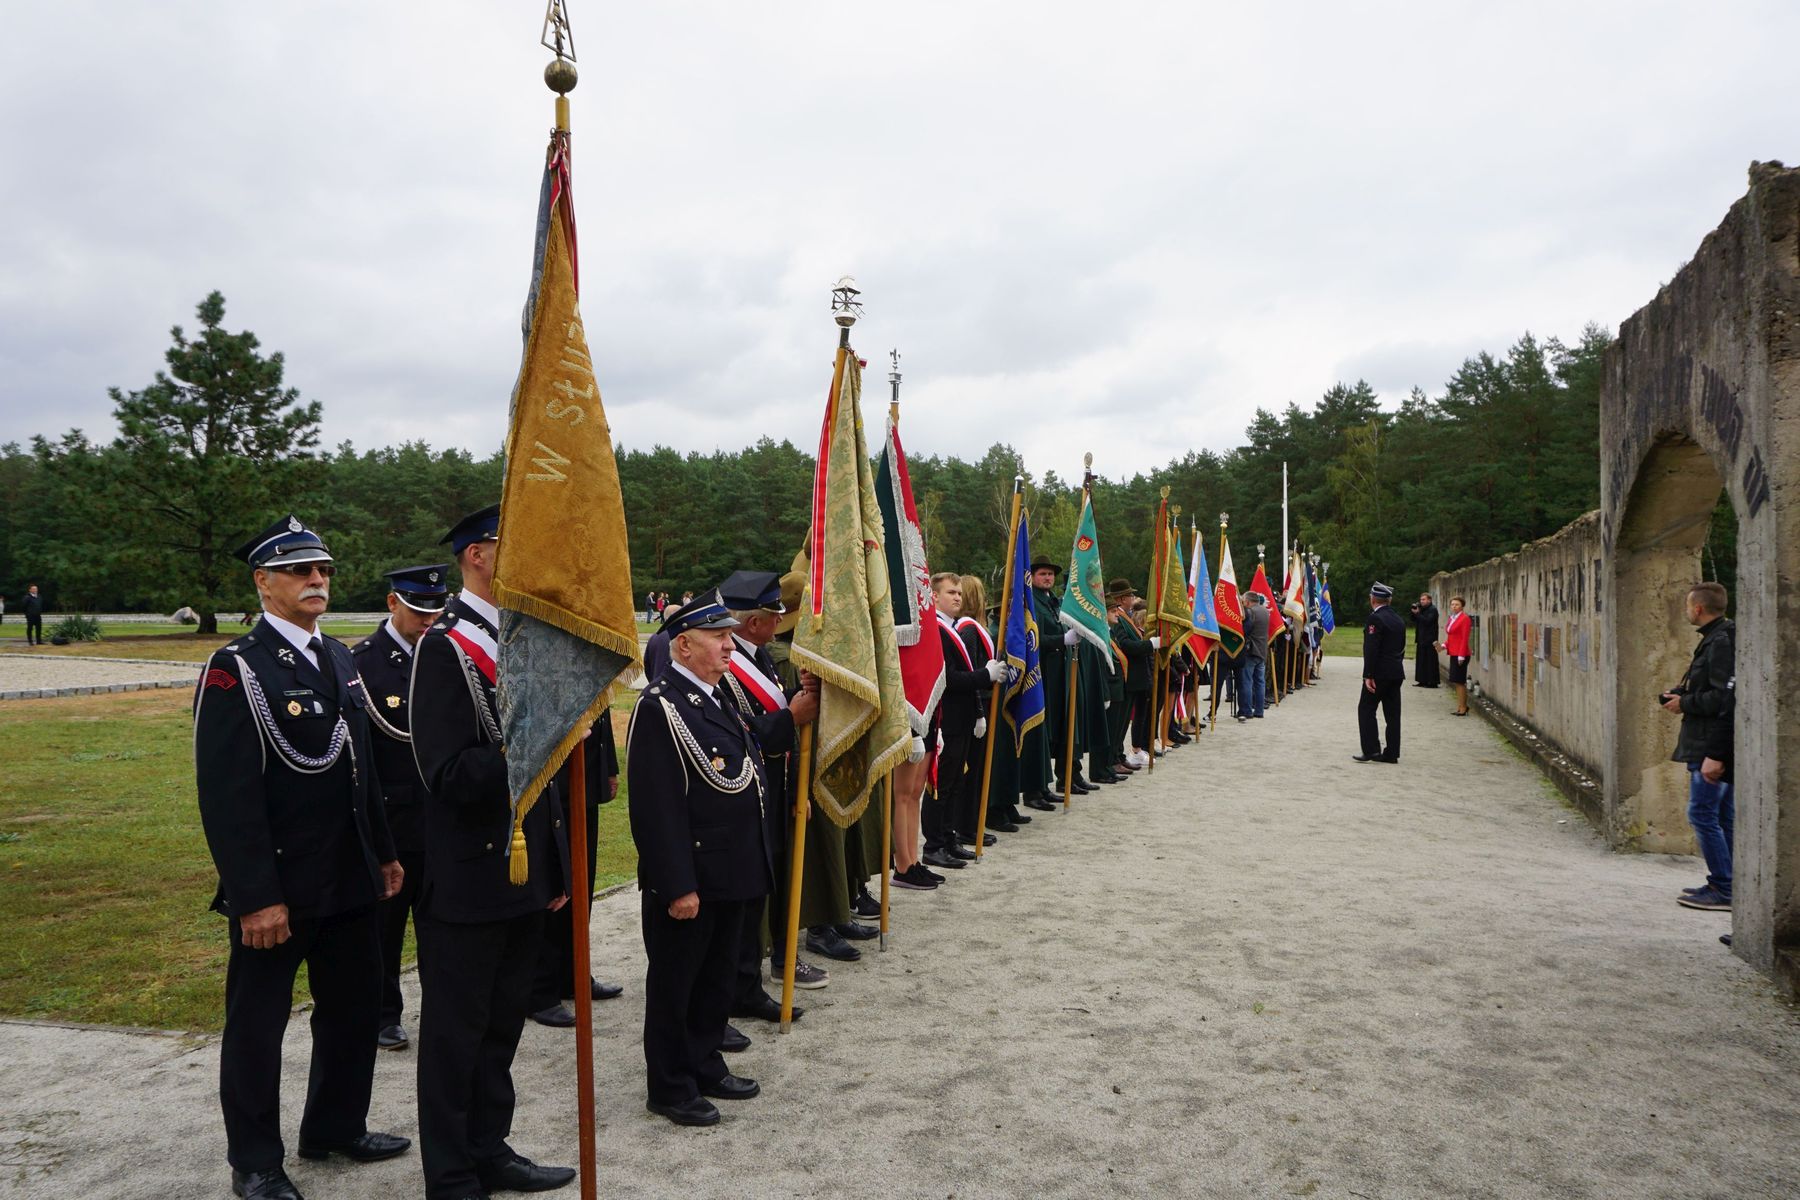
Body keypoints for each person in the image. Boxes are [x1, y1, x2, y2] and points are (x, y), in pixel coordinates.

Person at [193, 515, 409, 1200]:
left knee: (351, 1009)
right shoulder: (238, 669)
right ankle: (255, 1160)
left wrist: (384, 853)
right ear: (263, 582)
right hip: (280, 884)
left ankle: (336, 1126)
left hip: (348, 874)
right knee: (257, 1027)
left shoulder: (339, 656)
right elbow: (227, 795)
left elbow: (362, 767)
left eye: (322, 570)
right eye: (297, 570)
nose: (316, 580)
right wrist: (254, 894)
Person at [409, 503, 575, 1198]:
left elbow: (555, 776)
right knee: (457, 1034)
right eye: (516, 544)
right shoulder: (445, 648)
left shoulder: (522, 639)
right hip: (470, 870)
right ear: (478, 554)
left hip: (525, 870)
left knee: (503, 1025)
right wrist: (518, 743)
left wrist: (558, 868)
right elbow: (444, 774)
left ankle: (491, 1147)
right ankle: (450, 1172)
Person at [628, 589, 773, 1127]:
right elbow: (656, 808)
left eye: (730, 636)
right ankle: (669, 1085)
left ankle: (705, 1062)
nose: (729, 646)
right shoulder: (660, 706)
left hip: (732, 869)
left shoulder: (717, 697)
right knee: (676, 984)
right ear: (683, 645)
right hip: (692, 875)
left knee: (714, 981)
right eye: (718, 637)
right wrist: (676, 885)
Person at [714, 569, 832, 1014]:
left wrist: (793, 698)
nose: (779, 624)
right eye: (772, 616)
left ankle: (748, 986)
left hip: (773, 789)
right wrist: (792, 715)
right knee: (743, 902)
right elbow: (735, 736)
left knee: (763, 889)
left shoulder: (758, 656)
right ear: (754, 622)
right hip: (740, 796)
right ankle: (736, 988)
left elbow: (772, 706)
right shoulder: (725, 663)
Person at [351, 563, 450, 1053]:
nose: (429, 618)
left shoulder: (447, 654)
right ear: (393, 604)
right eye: (418, 609)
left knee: (443, 922)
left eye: (436, 608)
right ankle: (382, 1012)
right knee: (385, 927)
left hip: (443, 816)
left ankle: (443, 1008)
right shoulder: (364, 663)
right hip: (392, 818)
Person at [527, 716, 626, 1028]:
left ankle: (573, 973)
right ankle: (540, 989)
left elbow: (601, 709)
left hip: (584, 777)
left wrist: (608, 765)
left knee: (582, 884)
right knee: (554, 885)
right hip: (551, 782)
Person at [1660, 582, 1736, 912]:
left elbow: (1724, 698)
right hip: (1712, 741)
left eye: (1689, 606)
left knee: (1703, 813)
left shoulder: (1720, 641)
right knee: (1721, 815)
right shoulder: (1719, 637)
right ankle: (1732, 883)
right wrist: (1682, 693)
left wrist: (1686, 702)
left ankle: (1724, 886)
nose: (1687, 611)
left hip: (1710, 743)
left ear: (1698, 609)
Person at [927, 573, 1007, 866]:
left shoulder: (953, 628)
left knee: (956, 783)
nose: (958, 597)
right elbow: (947, 678)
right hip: (945, 718)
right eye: (951, 592)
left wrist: (977, 712)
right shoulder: (935, 629)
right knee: (942, 785)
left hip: (962, 717)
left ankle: (949, 839)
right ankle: (933, 845)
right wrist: (984, 675)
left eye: (960, 593)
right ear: (934, 596)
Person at [1354, 582, 1407, 764]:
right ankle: (1392, 752)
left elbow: (1371, 648)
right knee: (1393, 714)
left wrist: (1368, 674)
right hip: (1396, 671)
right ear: (1389, 600)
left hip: (1379, 673)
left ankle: (1371, 750)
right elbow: (1401, 648)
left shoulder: (1375, 619)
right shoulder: (1398, 619)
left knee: (1366, 709)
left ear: (1372, 599)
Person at [1438, 596, 1472, 716]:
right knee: (1456, 681)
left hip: (1461, 654)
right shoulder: (1452, 618)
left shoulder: (1465, 619)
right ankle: (1460, 705)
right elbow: (1452, 637)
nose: (1454, 606)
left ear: (1462, 606)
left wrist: (1461, 655)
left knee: (1459, 681)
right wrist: (1444, 645)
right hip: (1453, 652)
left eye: (1457, 604)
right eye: (1452, 604)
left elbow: (1464, 638)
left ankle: (1463, 707)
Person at [1239, 592, 1270, 721]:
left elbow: (1245, 630)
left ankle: (1247, 710)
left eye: (1243, 601)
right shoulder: (1265, 611)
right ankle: (1259, 710)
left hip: (1251, 651)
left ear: (1248, 601)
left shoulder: (1250, 612)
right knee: (1260, 682)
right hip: (1262, 651)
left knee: (1247, 681)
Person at [1410, 593, 1441, 688]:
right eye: (1421, 599)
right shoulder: (1421, 609)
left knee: (1430, 661)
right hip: (1421, 639)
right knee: (1421, 661)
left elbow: (1427, 621)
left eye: (1424, 599)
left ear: (1429, 600)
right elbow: (1413, 619)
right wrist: (1413, 612)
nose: (1421, 601)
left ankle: (1432, 682)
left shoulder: (1433, 610)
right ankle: (1422, 680)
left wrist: (1418, 614)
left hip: (1430, 639)